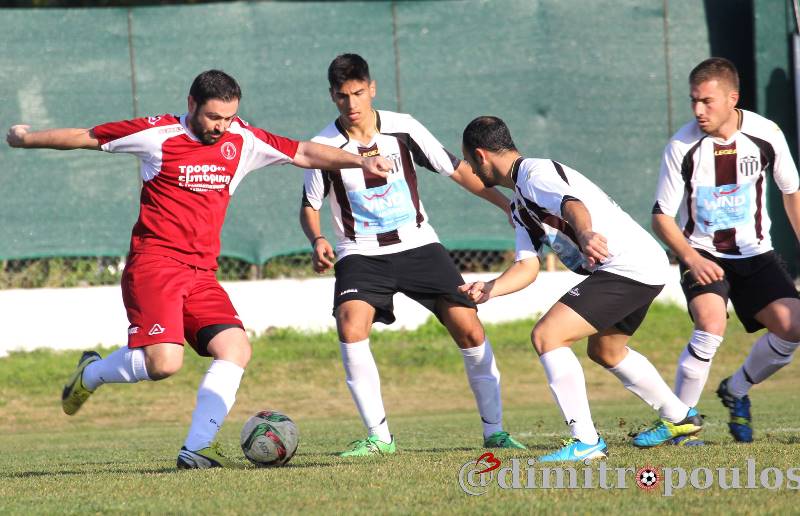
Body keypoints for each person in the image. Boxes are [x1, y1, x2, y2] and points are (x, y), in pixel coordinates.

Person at [6, 69, 392, 469]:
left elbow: (304, 153)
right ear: (191, 105)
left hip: (202, 273)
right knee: (165, 364)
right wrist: (26, 139)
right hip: (155, 265)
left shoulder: (241, 139)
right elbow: (88, 137)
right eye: (213, 118)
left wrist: (359, 162)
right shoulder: (157, 135)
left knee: (235, 348)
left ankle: (196, 449)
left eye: (228, 118)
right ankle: (92, 374)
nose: (221, 127)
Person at [300, 54, 525, 456]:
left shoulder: (404, 128)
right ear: (331, 96)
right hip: (360, 253)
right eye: (341, 96)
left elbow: (457, 170)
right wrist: (317, 238)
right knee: (351, 326)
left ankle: (495, 431)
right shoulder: (321, 147)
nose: (351, 103)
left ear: (372, 89)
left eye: (357, 93)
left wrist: (505, 204)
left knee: (469, 327)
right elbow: (309, 206)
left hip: (419, 245)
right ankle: (379, 437)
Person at [459, 116, 704, 462]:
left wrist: (585, 232)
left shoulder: (534, 174)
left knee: (547, 336)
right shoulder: (519, 203)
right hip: (640, 265)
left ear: (481, 156)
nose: (470, 169)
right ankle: (680, 417)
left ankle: (586, 441)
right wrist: (489, 288)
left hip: (627, 266)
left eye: (469, 161)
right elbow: (527, 267)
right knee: (606, 350)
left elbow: (572, 204)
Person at [652, 57, 800, 444]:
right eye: (693, 101)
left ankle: (736, 389)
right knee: (711, 324)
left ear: (732, 98)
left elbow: (792, 193)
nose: (699, 110)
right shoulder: (682, 146)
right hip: (703, 254)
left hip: (756, 254)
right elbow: (661, 217)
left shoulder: (766, 134)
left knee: (793, 328)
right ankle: (680, 427)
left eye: (707, 101)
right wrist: (691, 258)